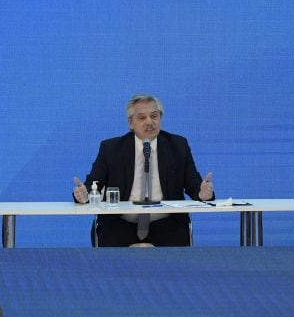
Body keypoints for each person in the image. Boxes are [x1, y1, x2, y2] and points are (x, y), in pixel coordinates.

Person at [73, 94, 214, 246]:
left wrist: (203, 193)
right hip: (121, 222)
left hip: (166, 223)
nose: (149, 122)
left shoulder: (178, 146)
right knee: (111, 243)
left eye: (154, 116)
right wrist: (83, 194)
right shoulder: (111, 149)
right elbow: (93, 184)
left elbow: (194, 185)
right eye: (142, 118)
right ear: (130, 123)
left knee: (176, 245)